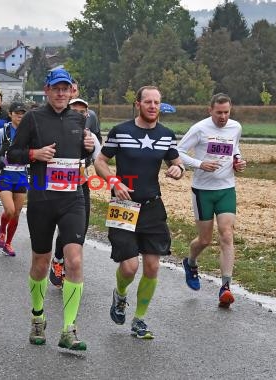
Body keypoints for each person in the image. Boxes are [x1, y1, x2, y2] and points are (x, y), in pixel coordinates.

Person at [6, 68, 96, 351]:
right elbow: (13, 153)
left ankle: (68, 328)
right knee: (41, 263)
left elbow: (86, 156)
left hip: (73, 198)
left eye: (65, 88)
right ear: (46, 90)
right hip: (43, 199)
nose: (60, 93)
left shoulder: (79, 119)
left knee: (75, 260)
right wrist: (34, 154)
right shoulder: (33, 118)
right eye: (55, 88)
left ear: (72, 92)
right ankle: (37, 316)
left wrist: (90, 147)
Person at [94, 85, 185, 340]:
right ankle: (120, 295)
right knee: (130, 267)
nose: (153, 106)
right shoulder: (121, 132)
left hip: (153, 206)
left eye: (157, 102)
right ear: (138, 104)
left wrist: (178, 170)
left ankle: (140, 319)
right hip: (123, 205)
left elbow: (176, 162)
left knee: (153, 266)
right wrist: (113, 182)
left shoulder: (166, 135)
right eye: (148, 102)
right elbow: (100, 161)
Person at [176, 93, 247, 308]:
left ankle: (225, 287)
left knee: (226, 234)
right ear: (210, 111)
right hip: (202, 191)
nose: (223, 117)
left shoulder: (236, 127)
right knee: (204, 240)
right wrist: (199, 164)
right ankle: (191, 262)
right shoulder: (200, 128)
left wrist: (238, 161)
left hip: (226, 188)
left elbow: (235, 149)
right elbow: (178, 152)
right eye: (219, 113)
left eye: (226, 112)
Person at [50, 97, 102, 288]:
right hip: (57, 186)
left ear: (86, 115)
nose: (79, 114)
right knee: (64, 227)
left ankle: (67, 262)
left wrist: (114, 180)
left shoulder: (90, 136)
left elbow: (100, 160)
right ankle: (58, 259)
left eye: (82, 112)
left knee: (80, 228)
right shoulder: (55, 130)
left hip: (80, 185)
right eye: (75, 110)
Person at [0, 101, 29, 257]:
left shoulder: (28, 132)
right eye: (17, 113)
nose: (20, 116)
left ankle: (8, 243)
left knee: (17, 213)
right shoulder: (2, 131)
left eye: (22, 113)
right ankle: (1, 229)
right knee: (9, 210)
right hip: (6, 175)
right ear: (10, 114)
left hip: (22, 175)